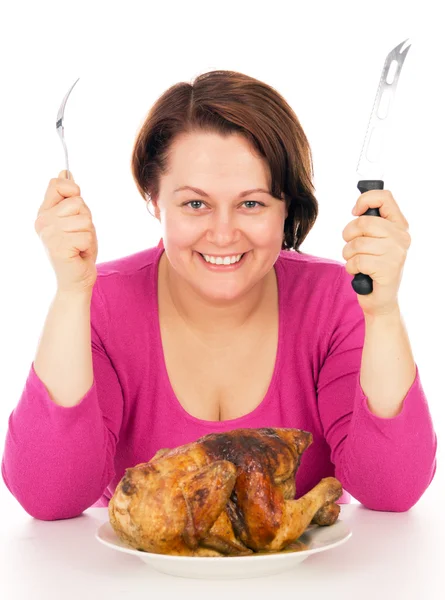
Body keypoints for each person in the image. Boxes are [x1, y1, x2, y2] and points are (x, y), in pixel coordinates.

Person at [1, 70, 437, 521]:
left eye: (252, 203)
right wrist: (72, 294)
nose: (224, 234)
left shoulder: (337, 301)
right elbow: (49, 497)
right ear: (154, 199)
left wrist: (383, 312)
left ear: (287, 206)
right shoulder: (101, 303)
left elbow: (392, 489)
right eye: (195, 203)